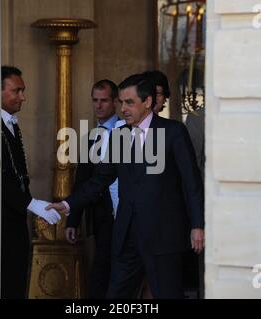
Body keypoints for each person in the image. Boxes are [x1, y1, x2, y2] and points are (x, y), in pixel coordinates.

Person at [48, 73, 204, 298]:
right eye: (121, 102)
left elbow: (192, 183)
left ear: (148, 102)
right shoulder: (120, 134)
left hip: (163, 237)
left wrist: (197, 225)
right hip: (127, 235)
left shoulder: (173, 132)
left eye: (129, 102)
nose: (123, 108)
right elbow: (101, 178)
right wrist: (68, 203)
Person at [0, 66, 61, 299]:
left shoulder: (7, 121)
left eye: (23, 91)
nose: (23, 97)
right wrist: (31, 203)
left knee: (13, 282)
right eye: (16, 91)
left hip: (10, 220)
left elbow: (16, 172)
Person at [65, 79, 121, 299]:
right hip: (101, 214)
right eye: (95, 100)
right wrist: (73, 220)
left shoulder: (128, 131)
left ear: (115, 101)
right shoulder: (91, 137)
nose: (98, 106)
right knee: (101, 268)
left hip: (128, 212)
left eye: (104, 101)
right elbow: (82, 180)